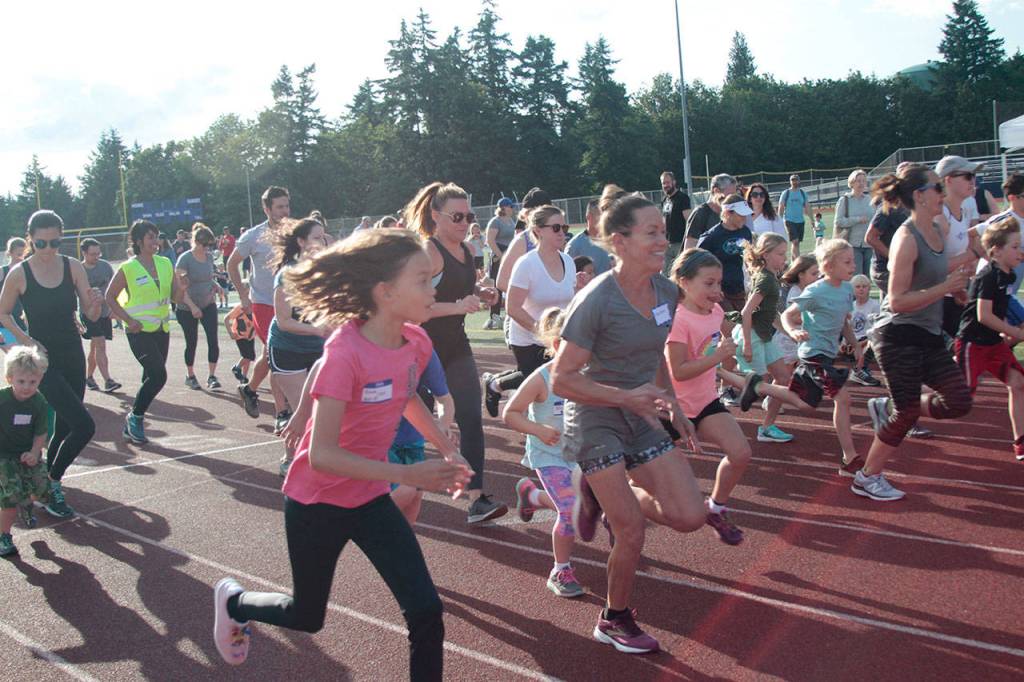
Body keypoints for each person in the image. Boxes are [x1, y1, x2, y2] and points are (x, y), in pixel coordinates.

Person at [212, 229, 471, 677]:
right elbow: (321, 455)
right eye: (424, 280)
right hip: (316, 504)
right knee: (306, 616)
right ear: (386, 292)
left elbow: (407, 396)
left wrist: (446, 447)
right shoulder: (344, 353)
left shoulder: (415, 343)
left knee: (426, 612)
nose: (434, 290)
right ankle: (234, 601)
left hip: (369, 500)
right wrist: (410, 475)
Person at [551, 185, 705, 654]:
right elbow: (561, 379)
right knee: (632, 530)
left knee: (690, 515)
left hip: (641, 412)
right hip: (595, 418)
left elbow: (656, 349)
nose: (664, 240)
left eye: (664, 231)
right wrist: (625, 396)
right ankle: (613, 619)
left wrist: (673, 404)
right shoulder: (595, 301)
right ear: (618, 241)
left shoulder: (665, 291)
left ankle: (601, 493)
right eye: (652, 233)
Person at [860, 164, 973, 501]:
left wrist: (958, 289)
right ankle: (867, 477)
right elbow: (895, 301)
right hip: (897, 336)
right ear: (920, 196)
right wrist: (944, 289)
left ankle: (886, 405)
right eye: (937, 188)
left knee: (958, 401)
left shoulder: (936, 229)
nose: (942, 193)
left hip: (926, 333)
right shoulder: (906, 238)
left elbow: (939, 272)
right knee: (906, 413)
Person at [407, 182, 508, 524]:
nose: (465, 221)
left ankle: (477, 498)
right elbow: (413, 308)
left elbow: (465, 288)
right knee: (406, 424)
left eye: (469, 215)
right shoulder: (427, 253)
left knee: (470, 415)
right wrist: (458, 305)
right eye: (457, 216)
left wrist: (484, 292)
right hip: (419, 349)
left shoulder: (466, 251)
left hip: (455, 344)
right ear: (436, 216)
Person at [0, 210, 102, 519]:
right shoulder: (20, 273)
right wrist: (26, 339)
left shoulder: (72, 267)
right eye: (41, 243)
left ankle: (44, 486)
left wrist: (96, 303)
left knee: (69, 424)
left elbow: (91, 316)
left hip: (73, 352)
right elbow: (3, 313)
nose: (48, 249)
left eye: (55, 242)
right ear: (30, 239)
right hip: (43, 361)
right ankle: (50, 484)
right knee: (85, 425)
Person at [665, 249, 756, 545]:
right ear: (684, 282)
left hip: (705, 402)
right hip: (670, 409)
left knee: (740, 452)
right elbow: (678, 371)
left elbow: (712, 352)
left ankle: (715, 508)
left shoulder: (715, 312)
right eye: (709, 283)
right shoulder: (677, 319)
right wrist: (718, 356)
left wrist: (731, 370)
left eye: (719, 283)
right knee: (645, 479)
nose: (717, 291)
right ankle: (616, 510)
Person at [504, 308, 584, 598]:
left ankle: (532, 497)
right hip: (549, 456)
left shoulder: (588, 375)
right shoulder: (541, 379)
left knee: (593, 506)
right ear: (557, 345)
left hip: (580, 455)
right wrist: (537, 430)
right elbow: (510, 413)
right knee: (571, 510)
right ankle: (560, 570)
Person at [482, 206, 576, 418]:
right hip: (527, 336)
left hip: (557, 337)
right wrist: (541, 332)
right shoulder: (527, 264)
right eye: (556, 227)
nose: (562, 232)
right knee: (535, 379)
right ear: (538, 231)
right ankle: (495, 385)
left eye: (564, 227)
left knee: (557, 381)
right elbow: (512, 307)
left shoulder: (568, 261)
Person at [106, 220, 184, 445]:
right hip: (138, 331)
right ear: (139, 241)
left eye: (156, 236)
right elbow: (110, 296)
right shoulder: (128, 268)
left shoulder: (166, 263)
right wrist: (128, 320)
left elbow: (174, 297)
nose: (155, 241)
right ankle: (135, 417)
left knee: (151, 376)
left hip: (162, 328)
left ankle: (134, 421)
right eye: (150, 237)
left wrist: (182, 290)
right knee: (159, 375)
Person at [955, 216, 1024, 460]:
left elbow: (998, 311)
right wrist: (1014, 332)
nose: (1020, 251)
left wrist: (1007, 332)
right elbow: (983, 315)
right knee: (958, 399)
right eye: (1015, 247)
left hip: (993, 344)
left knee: (1019, 383)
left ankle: (1020, 442)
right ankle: (897, 405)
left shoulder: (1009, 276)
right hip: (972, 343)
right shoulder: (988, 276)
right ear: (996, 252)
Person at [267, 217, 328, 476]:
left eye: (324, 237)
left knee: (322, 409)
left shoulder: (324, 272)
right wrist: (318, 329)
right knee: (305, 410)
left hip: (317, 349)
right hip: (287, 349)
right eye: (316, 237)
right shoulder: (287, 275)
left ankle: (300, 458)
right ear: (301, 242)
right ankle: (293, 461)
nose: (322, 242)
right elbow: (284, 321)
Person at [228, 186, 291, 427]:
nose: (284, 211)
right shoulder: (253, 236)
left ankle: (250, 389)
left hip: (290, 302)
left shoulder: (295, 231)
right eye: (279, 207)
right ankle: (282, 413)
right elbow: (232, 264)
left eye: (287, 205)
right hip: (264, 303)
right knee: (278, 354)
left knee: (270, 353)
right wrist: (244, 296)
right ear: (267, 209)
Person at [733, 234, 796, 443]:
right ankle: (721, 379)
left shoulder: (770, 276)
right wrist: (748, 344)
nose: (784, 258)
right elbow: (746, 312)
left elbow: (771, 314)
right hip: (752, 336)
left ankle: (767, 427)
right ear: (766, 254)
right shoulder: (766, 279)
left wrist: (790, 334)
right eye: (780, 254)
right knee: (759, 384)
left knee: (783, 379)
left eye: (785, 253)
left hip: (764, 335)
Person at [0, 346, 51, 557]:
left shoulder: (39, 402)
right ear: (10, 378)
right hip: (3, 456)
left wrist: (34, 452)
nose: (27, 387)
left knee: (42, 488)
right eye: (21, 381)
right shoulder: (2, 399)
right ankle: (4, 535)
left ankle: (27, 503)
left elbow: (41, 433)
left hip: (26, 453)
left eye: (33, 382)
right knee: (10, 500)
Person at [935, 155, 984, 340]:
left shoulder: (962, 212)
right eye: (967, 176)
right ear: (948, 180)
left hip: (953, 295)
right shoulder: (940, 217)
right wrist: (974, 254)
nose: (973, 181)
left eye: (974, 176)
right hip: (937, 302)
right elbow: (935, 266)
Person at [175, 223, 224, 390]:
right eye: (205, 245)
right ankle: (190, 375)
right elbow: (180, 286)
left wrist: (216, 285)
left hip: (208, 304)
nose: (207, 249)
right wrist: (192, 306)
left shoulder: (209, 257)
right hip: (187, 307)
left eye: (210, 245)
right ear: (196, 242)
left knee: (213, 339)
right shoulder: (185, 259)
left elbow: (208, 277)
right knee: (192, 341)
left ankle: (212, 376)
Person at [695, 194, 753, 313]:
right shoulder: (711, 237)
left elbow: (749, 260)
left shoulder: (746, 232)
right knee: (730, 326)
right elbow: (696, 264)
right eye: (740, 214)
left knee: (744, 325)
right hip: (719, 292)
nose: (744, 218)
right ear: (727, 213)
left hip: (739, 290)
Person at [79, 238, 121, 394]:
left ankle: (89, 376)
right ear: (84, 253)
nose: (96, 257)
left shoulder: (105, 266)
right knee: (100, 345)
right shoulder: (79, 269)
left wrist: (114, 308)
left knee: (95, 347)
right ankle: (108, 380)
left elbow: (115, 287)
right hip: (89, 314)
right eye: (92, 254)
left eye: (98, 253)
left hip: (104, 313)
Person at [833, 170, 875, 276]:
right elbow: (838, 221)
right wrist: (857, 219)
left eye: (863, 181)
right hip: (852, 244)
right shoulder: (845, 200)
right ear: (851, 183)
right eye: (858, 181)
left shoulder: (869, 199)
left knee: (867, 278)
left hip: (869, 244)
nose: (861, 183)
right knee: (857, 277)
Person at [484, 197, 517, 329]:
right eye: (510, 206)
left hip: (509, 255)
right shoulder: (495, 221)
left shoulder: (511, 221)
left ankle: (511, 314)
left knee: (512, 284)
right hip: (499, 256)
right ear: (503, 208)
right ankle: (494, 317)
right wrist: (501, 256)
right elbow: (490, 240)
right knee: (496, 287)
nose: (512, 209)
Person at [846, 275, 882, 386]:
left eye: (864, 286)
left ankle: (860, 370)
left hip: (867, 340)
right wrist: (844, 343)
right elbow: (847, 328)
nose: (861, 289)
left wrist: (861, 343)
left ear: (869, 288)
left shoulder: (875, 306)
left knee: (875, 339)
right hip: (853, 342)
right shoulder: (850, 306)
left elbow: (876, 330)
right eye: (857, 286)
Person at [684, 173, 737, 250]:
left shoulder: (731, 212)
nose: (732, 200)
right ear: (716, 191)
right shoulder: (701, 213)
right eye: (729, 195)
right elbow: (690, 247)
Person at [566, 199, 613, 276]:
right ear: (589, 217)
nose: (604, 221)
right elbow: (569, 276)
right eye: (600, 217)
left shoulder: (612, 240)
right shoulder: (575, 245)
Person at [661, 171, 692, 275]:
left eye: (668, 182)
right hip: (667, 243)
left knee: (679, 273)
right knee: (665, 274)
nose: (666, 185)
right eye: (663, 183)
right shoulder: (664, 200)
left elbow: (689, 220)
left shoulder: (682, 198)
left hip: (680, 242)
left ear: (674, 182)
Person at [779, 174, 814, 259]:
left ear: (799, 181)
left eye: (796, 180)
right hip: (789, 220)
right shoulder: (786, 193)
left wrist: (812, 219)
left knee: (797, 243)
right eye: (792, 180)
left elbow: (807, 206)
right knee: (795, 241)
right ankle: (798, 262)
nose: (794, 182)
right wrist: (779, 220)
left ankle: (793, 262)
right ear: (790, 182)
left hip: (800, 221)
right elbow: (781, 206)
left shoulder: (802, 193)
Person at [224, 304, 256, 385]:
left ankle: (244, 378)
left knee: (248, 358)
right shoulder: (239, 308)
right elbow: (226, 319)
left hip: (250, 336)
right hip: (240, 336)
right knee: (248, 356)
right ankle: (236, 368)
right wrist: (230, 333)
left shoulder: (256, 307)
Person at [0, 238, 27, 331]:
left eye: (25, 254)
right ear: (9, 253)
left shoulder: (28, 272)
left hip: (23, 323)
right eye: (19, 254)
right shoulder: (2, 271)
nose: (22, 258)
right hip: (4, 325)